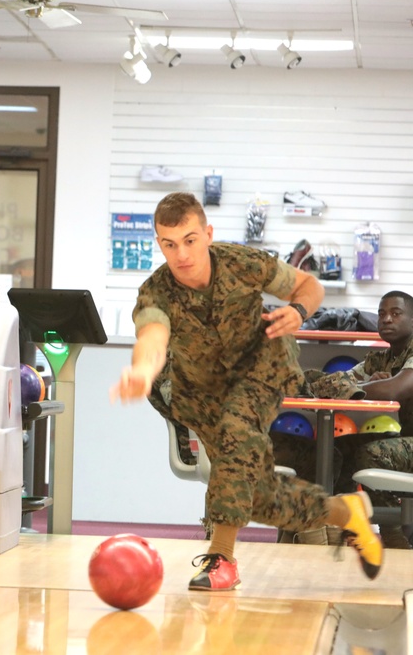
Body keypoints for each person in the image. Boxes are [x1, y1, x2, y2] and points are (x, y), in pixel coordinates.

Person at [112, 191, 382, 591]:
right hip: (202, 392)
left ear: (207, 233)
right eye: (169, 244)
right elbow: (153, 334)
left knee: (238, 433)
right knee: (255, 492)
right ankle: (346, 512)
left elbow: (308, 285)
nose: (181, 254)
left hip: (262, 366)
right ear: (159, 244)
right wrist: (142, 369)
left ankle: (221, 560)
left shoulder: (241, 262)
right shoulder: (156, 291)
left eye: (189, 240)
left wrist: (299, 310)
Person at [332, 291, 413, 549]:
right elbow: (340, 382)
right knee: (339, 449)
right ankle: (335, 527)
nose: (386, 319)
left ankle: (393, 535)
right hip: (406, 438)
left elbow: (395, 389)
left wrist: (368, 386)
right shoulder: (380, 358)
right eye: (381, 314)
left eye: (396, 313)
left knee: (371, 453)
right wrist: (368, 384)